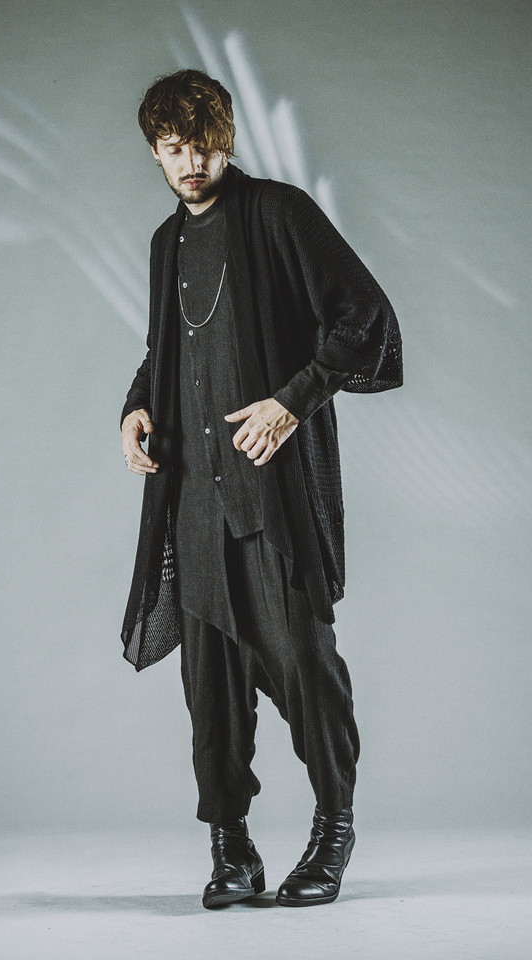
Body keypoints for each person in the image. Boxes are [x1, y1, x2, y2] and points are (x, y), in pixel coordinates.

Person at [120, 69, 402, 909]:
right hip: (193, 500)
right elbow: (167, 350)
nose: (191, 163)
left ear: (227, 140)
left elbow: (365, 315)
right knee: (209, 686)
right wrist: (134, 406)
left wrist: (292, 401)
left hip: (268, 496)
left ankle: (333, 831)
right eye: (174, 149)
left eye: (203, 146)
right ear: (155, 153)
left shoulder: (279, 213)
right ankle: (231, 850)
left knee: (304, 663)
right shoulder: (165, 244)